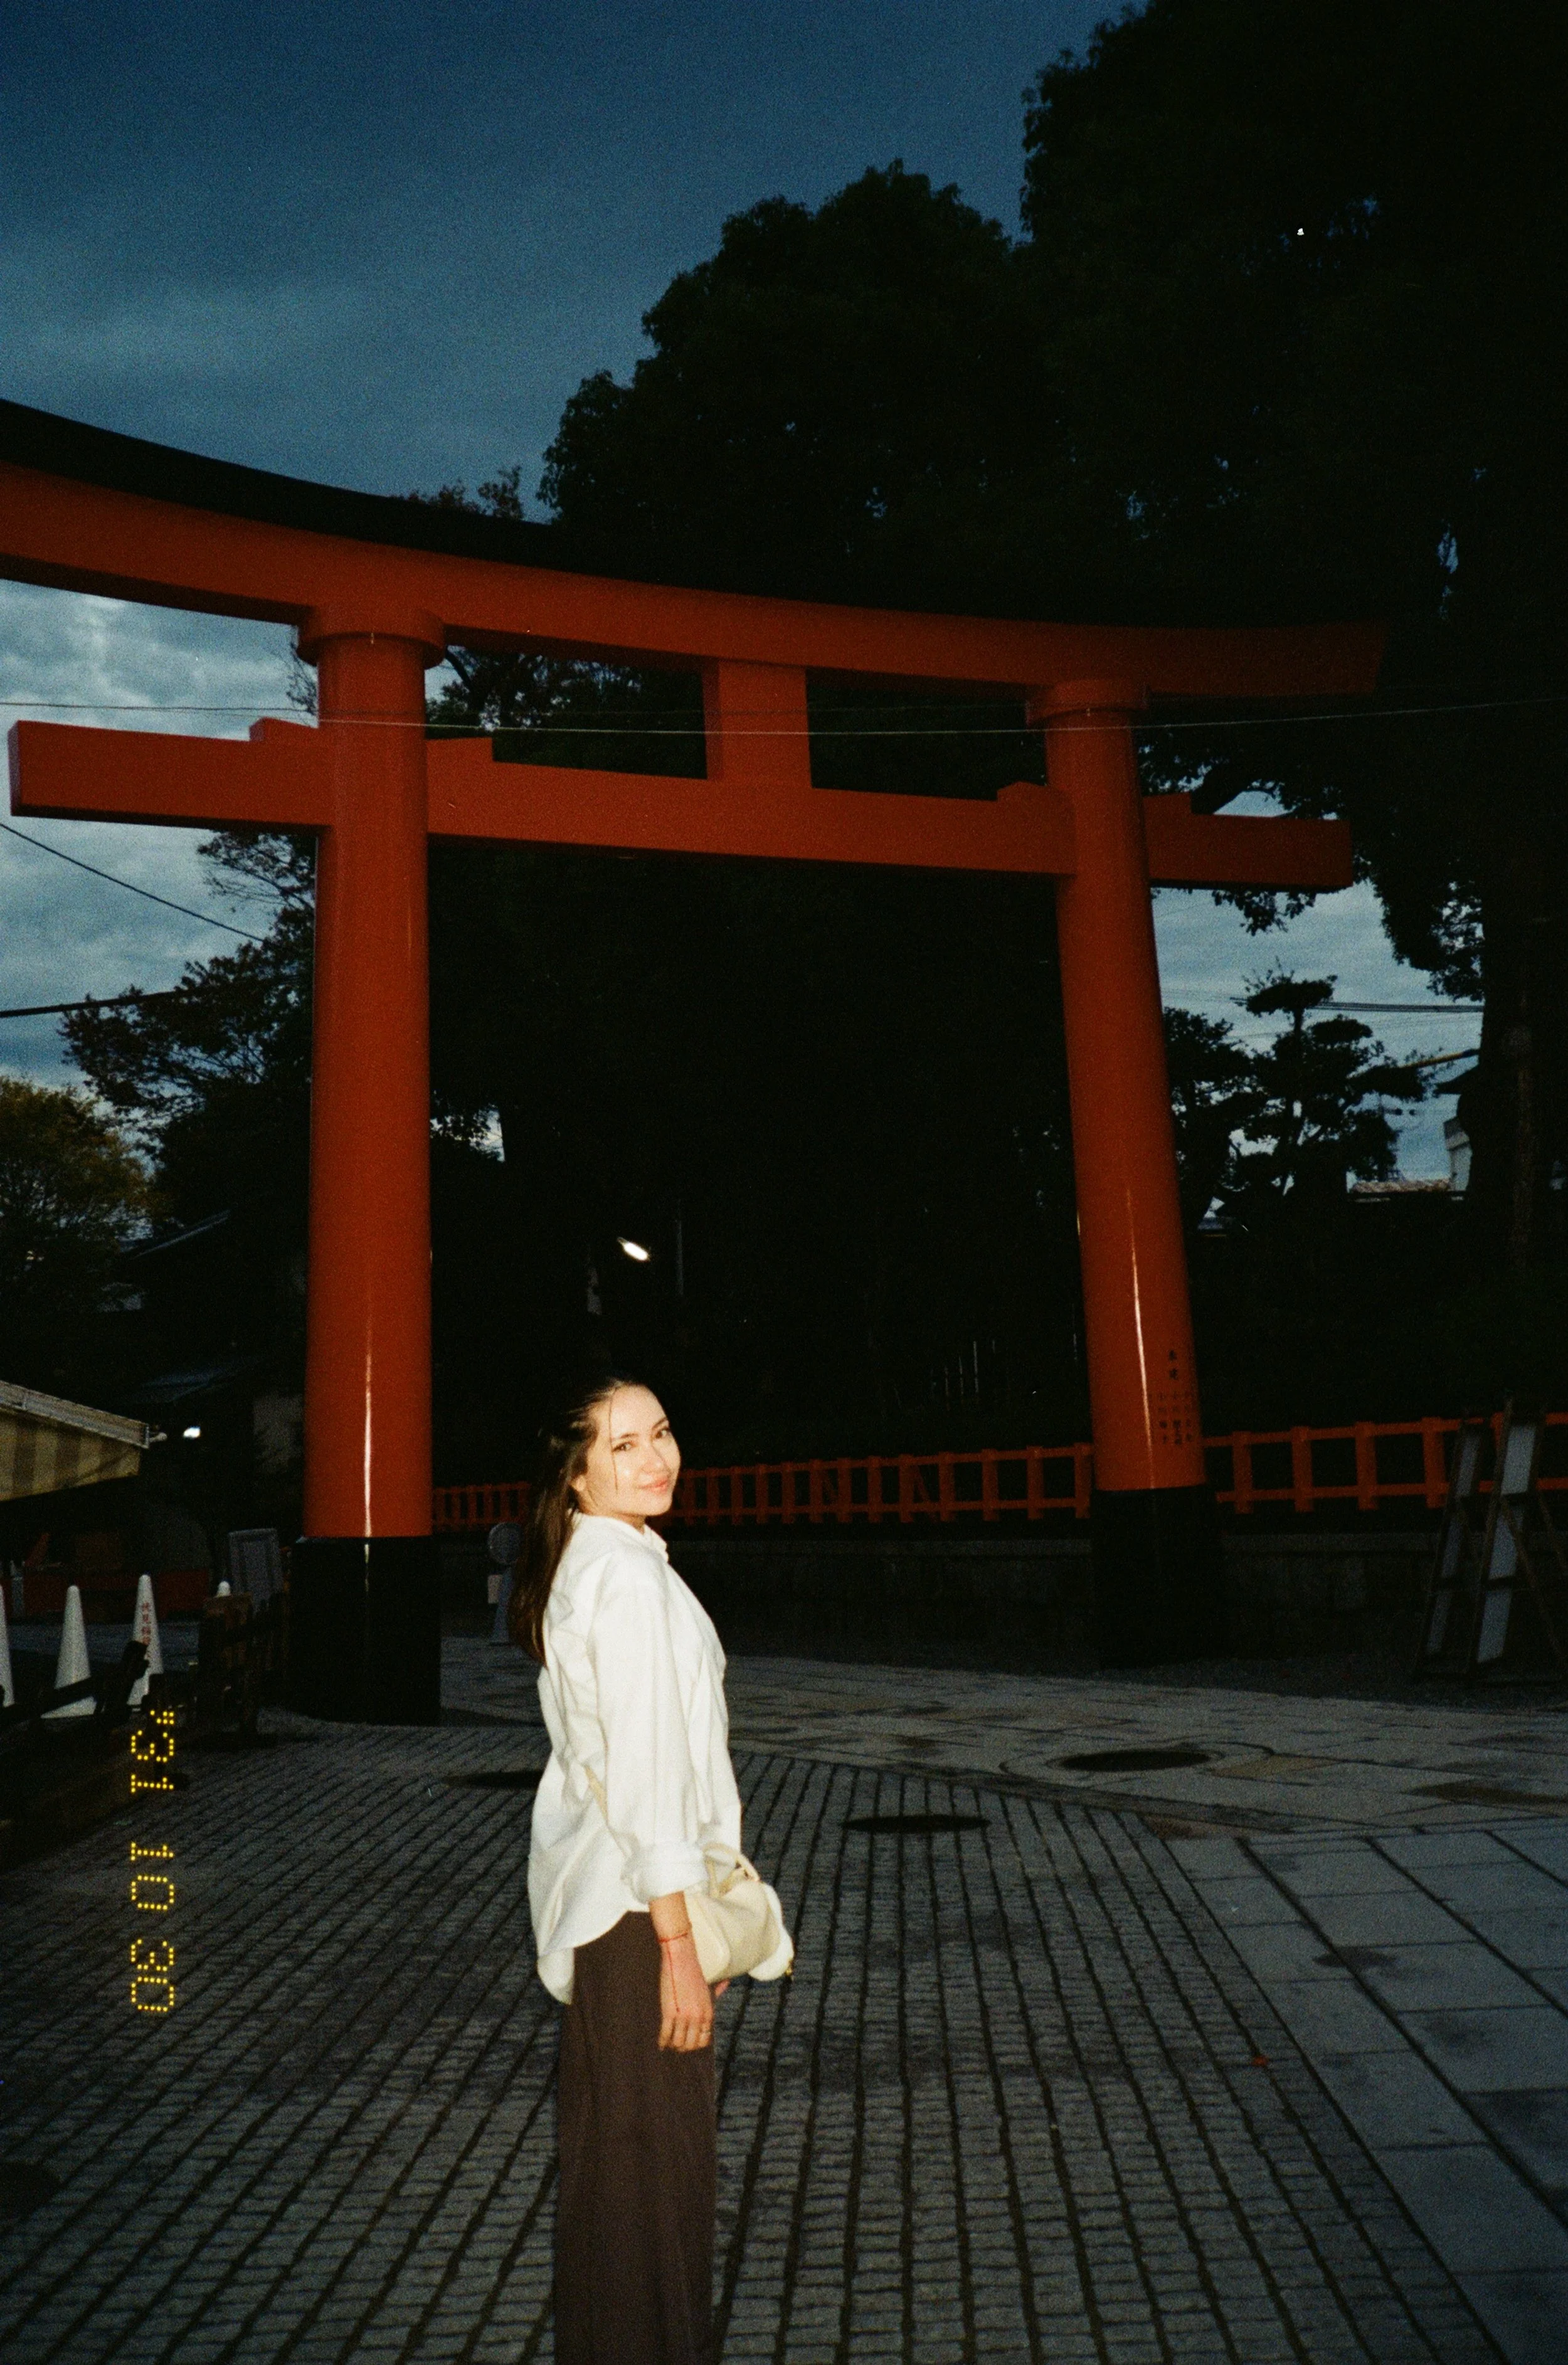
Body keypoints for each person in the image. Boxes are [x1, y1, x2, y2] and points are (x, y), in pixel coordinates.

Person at [514, 1373, 743, 2365]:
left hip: (611, 1912)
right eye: (622, 1446)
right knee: (658, 2198)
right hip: (636, 1919)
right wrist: (681, 1939)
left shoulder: (598, 1560)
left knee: (614, 2187)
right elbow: (649, 1771)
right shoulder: (628, 1577)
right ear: (575, 1476)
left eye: (662, 1430)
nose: (656, 1458)